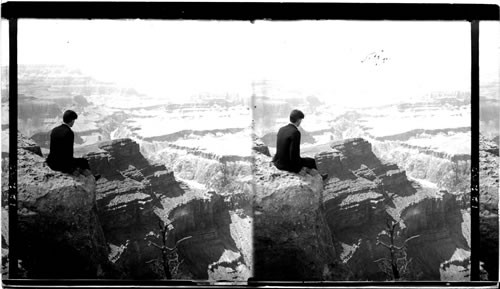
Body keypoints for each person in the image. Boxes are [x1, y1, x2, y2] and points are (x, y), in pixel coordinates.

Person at [46, 110, 98, 179]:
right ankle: (92, 178)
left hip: (51, 162)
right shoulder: (69, 132)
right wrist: (71, 168)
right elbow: (69, 152)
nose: (74, 122)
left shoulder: (55, 130)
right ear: (71, 120)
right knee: (83, 161)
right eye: (74, 120)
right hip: (61, 165)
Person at [272, 109, 317, 173]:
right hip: (287, 166)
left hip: (278, 162)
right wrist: (297, 168)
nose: (300, 122)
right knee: (312, 162)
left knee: (306, 160)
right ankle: (320, 177)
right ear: (298, 120)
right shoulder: (295, 132)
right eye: (301, 120)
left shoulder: (281, 129)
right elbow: (294, 154)